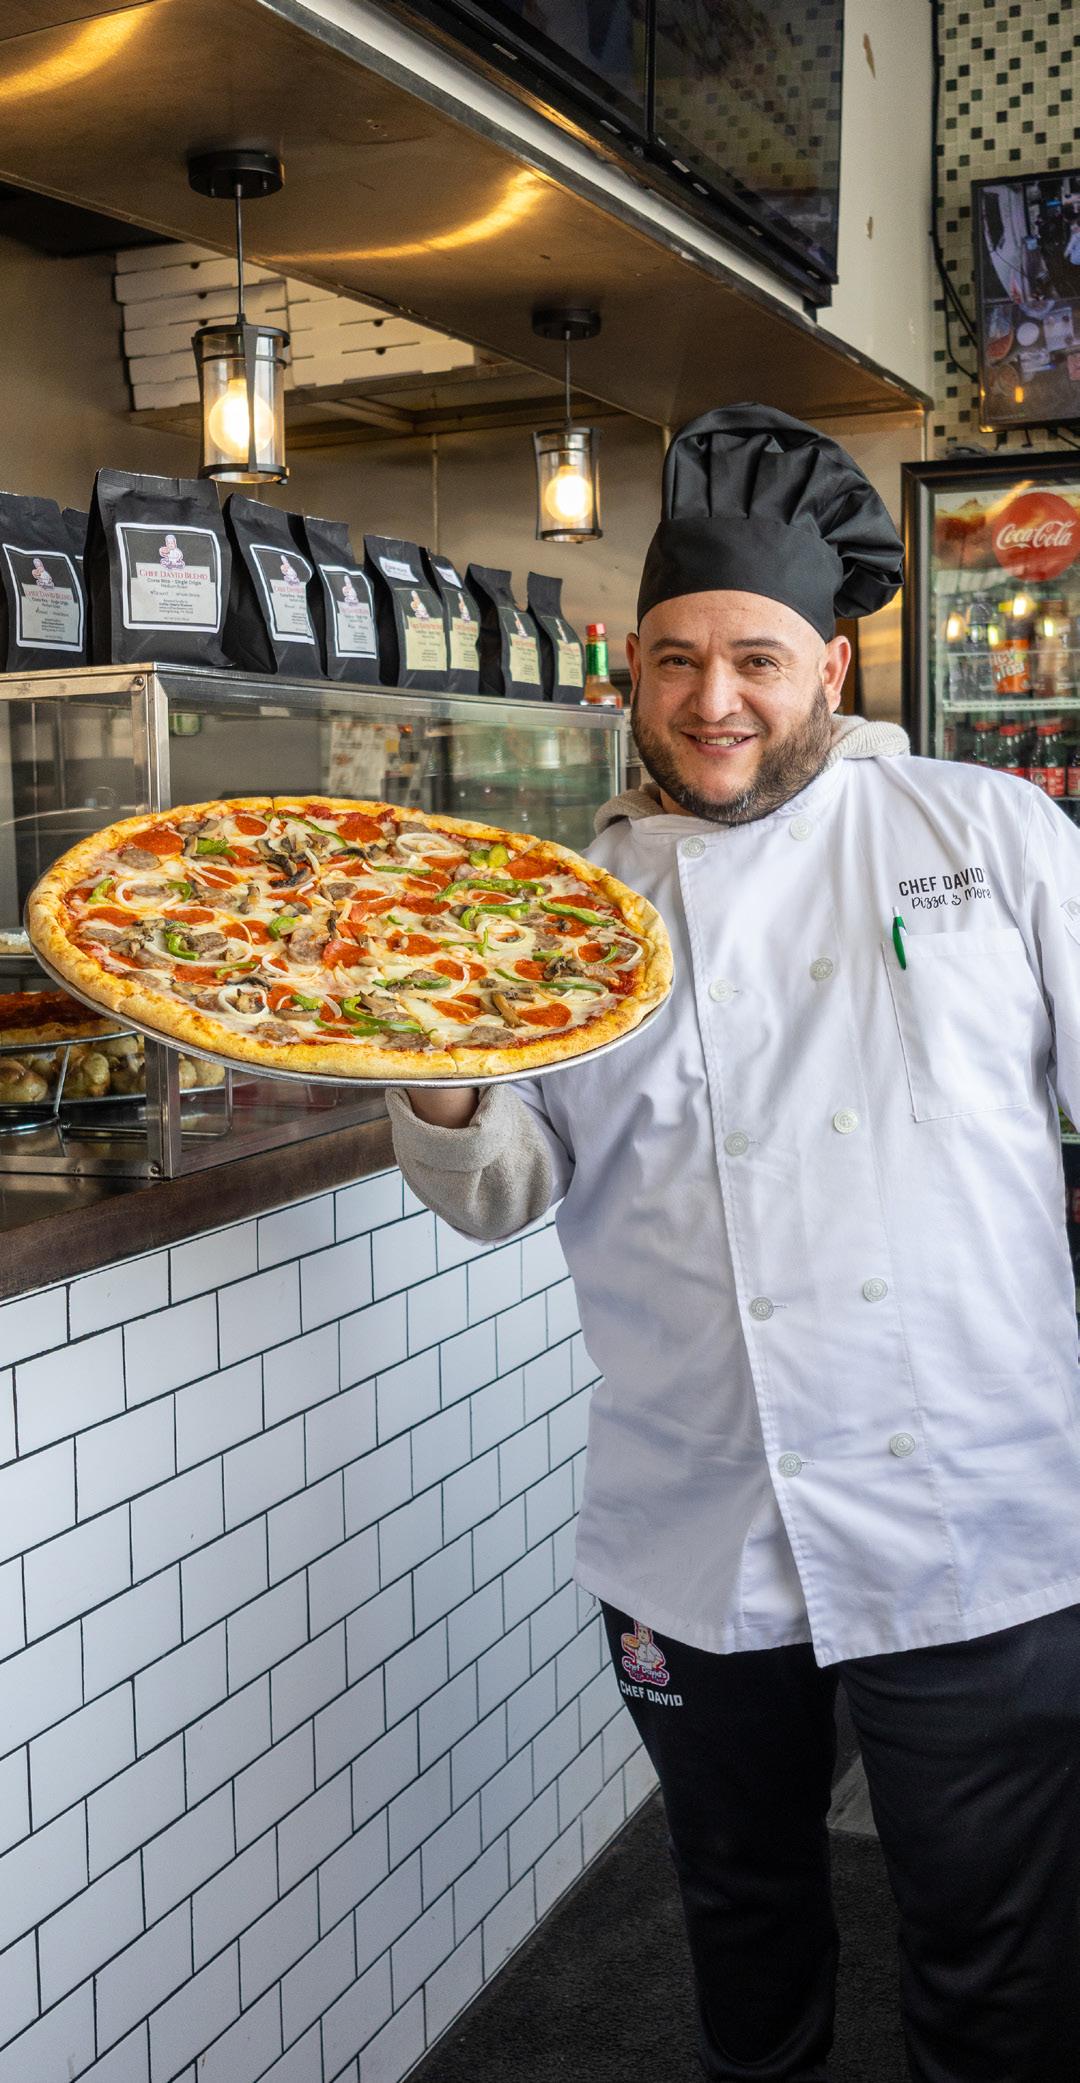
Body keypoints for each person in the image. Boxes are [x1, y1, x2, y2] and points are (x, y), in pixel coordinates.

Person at [385, 404, 1080, 2083]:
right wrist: (436, 1066)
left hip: (972, 1507)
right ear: (631, 671)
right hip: (694, 1523)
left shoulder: (985, 837)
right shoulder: (567, 913)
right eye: (678, 661)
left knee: (997, 1969)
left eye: (757, 660)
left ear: (829, 667)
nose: (715, 701)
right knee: (744, 1936)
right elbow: (498, 1188)